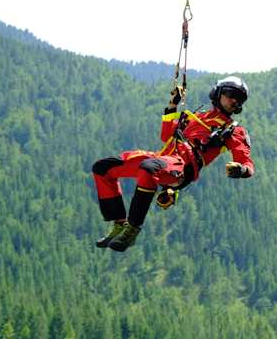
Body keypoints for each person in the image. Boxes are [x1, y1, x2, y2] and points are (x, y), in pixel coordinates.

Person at [91, 75, 255, 252]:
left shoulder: (233, 130)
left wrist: (241, 170)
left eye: (239, 99)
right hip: (162, 158)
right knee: (102, 168)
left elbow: (246, 162)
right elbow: (166, 136)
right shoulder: (196, 117)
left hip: (182, 166)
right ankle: (119, 224)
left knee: (148, 169)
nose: (234, 100)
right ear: (218, 93)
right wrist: (173, 104)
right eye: (231, 94)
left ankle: (132, 229)